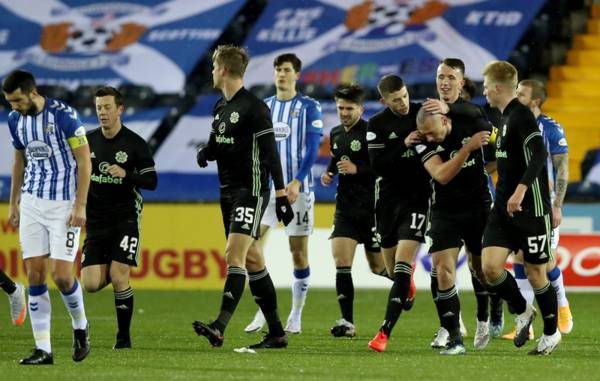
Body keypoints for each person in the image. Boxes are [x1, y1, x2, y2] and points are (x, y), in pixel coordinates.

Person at [193, 45, 294, 350]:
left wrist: (280, 195)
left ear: (223, 69)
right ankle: (277, 333)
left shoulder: (255, 108)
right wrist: (205, 153)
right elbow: (217, 141)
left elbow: (270, 154)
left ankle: (219, 326)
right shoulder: (220, 107)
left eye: (213, 67)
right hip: (226, 192)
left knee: (233, 254)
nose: (211, 72)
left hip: (250, 191)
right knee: (252, 260)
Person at [3, 69, 91, 365]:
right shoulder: (15, 120)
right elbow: (19, 160)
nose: (13, 106)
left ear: (32, 92)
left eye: (17, 100)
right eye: (9, 102)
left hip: (64, 205)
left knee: (63, 277)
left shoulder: (64, 116)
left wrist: (80, 205)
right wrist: (13, 202)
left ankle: (81, 326)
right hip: (31, 202)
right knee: (35, 274)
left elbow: (84, 162)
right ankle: (44, 349)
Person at [481, 60, 561, 355]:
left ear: (498, 87)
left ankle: (551, 334)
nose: (484, 91)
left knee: (536, 272)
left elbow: (540, 152)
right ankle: (523, 310)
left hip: (531, 209)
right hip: (503, 208)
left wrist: (521, 189)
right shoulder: (502, 119)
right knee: (489, 267)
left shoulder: (521, 116)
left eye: (487, 85)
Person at [244, 53, 322, 334]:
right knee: (250, 245)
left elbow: (313, 149)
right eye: (278, 69)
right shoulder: (265, 106)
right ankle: (263, 311)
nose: (281, 74)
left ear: (297, 75)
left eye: (287, 70)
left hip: (297, 192)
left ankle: (296, 314)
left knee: (298, 254)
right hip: (267, 191)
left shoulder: (309, 107)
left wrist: (298, 182)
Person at [421, 58, 495, 352]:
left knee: (481, 270)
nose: (445, 82)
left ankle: (483, 319)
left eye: (451, 77)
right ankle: (452, 333)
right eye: (441, 76)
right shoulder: (426, 117)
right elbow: (438, 172)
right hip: (443, 207)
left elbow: (486, 136)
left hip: (477, 204)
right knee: (442, 270)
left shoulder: (473, 114)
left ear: (461, 82)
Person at [80, 86, 158, 350]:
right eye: (99, 107)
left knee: (119, 275)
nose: (102, 112)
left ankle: (123, 337)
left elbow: (151, 181)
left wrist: (127, 174)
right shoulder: (87, 142)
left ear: (120, 109)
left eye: (107, 107)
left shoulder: (135, 144)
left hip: (125, 217)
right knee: (90, 284)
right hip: (96, 221)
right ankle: (119, 266)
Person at [499, 79, 572, 340]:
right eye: (515, 91)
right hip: (519, 203)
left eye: (521, 94)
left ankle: (562, 303)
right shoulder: (511, 121)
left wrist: (557, 206)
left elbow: (562, 169)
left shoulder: (550, 129)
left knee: (543, 260)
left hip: (543, 204)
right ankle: (526, 326)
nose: (515, 97)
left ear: (536, 101)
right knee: (519, 257)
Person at [365, 75, 426, 353]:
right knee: (390, 270)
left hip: (417, 199)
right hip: (388, 202)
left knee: (401, 268)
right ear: (383, 101)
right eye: (396, 100)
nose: (402, 103)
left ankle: (383, 333)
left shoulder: (422, 113)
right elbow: (379, 167)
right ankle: (406, 283)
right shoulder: (377, 125)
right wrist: (404, 144)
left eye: (404, 96)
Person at [320, 84, 387, 338]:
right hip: (345, 210)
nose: (344, 113)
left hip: (371, 210)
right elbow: (336, 157)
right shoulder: (336, 133)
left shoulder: (371, 133)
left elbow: (382, 168)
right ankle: (347, 322)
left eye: (349, 108)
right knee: (341, 262)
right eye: (340, 108)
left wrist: (357, 170)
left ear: (361, 108)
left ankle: (404, 283)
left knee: (378, 268)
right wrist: (329, 172)